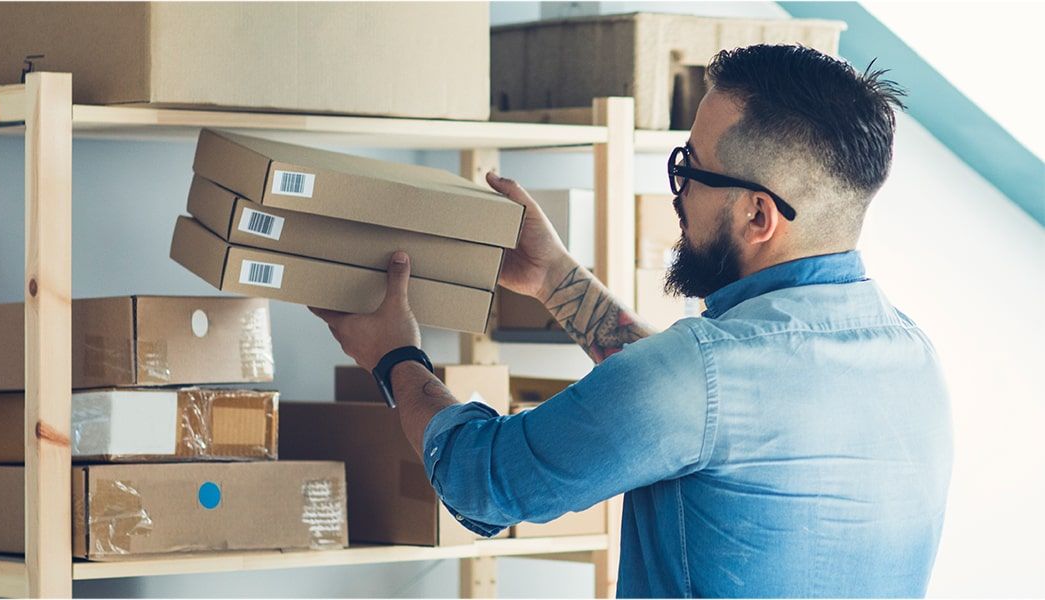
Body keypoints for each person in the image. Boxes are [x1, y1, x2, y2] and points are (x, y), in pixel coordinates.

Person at [310, 44, 952, 598]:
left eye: (689, 171)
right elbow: (697, 414)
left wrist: (394, 359)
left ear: (760, 217)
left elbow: (483, 482)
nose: (678, 197)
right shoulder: (914, 358)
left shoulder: (702, 376)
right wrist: (556, 280)